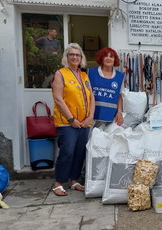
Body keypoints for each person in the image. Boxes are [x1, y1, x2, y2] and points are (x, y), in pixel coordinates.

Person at [51, 43, 95, 196]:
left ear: (81, 58)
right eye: (72, 54)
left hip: (84, 122)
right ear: (66, 57)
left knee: (80, 152)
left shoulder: (84, 75)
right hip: (67, 122)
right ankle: (59, 182)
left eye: (78, 55)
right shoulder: (60, 74)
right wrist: (71, 119)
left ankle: (74, 180)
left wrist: (90, 116)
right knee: (67, 151)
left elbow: (91, 97)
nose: (75, 57)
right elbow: (58, 99)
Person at [88, 47, 125, 127]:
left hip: (111, 118)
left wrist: (119, 112)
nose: (108, 58)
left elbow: (119, 96)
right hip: (92, 116)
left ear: (115, 60)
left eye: (111, 57)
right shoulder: (90, 72)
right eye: (106, 56)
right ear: (101, 58)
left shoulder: (120, 76)